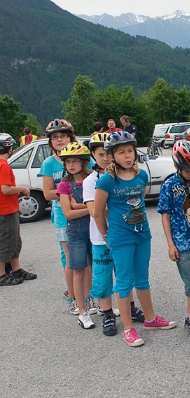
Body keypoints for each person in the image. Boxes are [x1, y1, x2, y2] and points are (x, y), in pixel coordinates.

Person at [93, 131, 176, 347]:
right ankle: (128, 329)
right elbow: (98, 212)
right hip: (120, 238)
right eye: (121, 152)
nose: (128, 156)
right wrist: (105, 234)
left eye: (130, 151)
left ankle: (150, 319)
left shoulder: (141, 176)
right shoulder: (106, 181)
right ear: (112, 155)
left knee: (142, 279)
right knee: (123, 282)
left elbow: (141, 198)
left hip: (142, 234)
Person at [83, 133, 141, 336]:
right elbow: (94, 210)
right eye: (101, 155)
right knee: (103, 275)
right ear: (94, 156)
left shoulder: (125, 175)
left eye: (107, 155)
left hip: (124, 233)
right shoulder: (92, 181)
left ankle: (131, 308)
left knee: (126, 273)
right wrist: (118, 209)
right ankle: (107, 313)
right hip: (102, 236)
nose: (105, 159)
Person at [39, 119, 92, 314]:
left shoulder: (83, 157)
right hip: (63, 216)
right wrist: (66, 193)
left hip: (86, 214)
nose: (59, 140)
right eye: (55, 137)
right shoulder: (49, 163)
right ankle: (73, 296)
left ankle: (88, 295)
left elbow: (93, 181)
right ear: (50, 141)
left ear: (71, 137)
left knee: (88, 257)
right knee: (71, 258)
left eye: (63, 136)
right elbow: (47, 193)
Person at [158, 140, 190, 341]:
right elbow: (165, 214)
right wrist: (170, 244)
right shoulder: (169, 185)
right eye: (187, 169)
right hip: (181, 241)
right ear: (177, 166)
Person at [56, 142, 96, 329]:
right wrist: (90, 208)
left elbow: (102, 206)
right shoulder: (65, 185)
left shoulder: (93, 179)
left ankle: (93, 301)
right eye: (67, 162)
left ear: (84, 162)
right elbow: (68, 214)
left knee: (95, 269)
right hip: (76, 231)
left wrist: (77, 205)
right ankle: (82, 311)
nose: (71, 165)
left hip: (95, 229)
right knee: (79, 270)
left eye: (75, 161)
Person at [0, 133, 36, 286]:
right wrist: (22, 188)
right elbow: (5, 189)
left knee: (15, 241)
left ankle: (16, 268)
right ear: (9, 148)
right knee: (6, 242)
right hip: (5, 209)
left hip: (9, 208)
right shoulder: (4, 166)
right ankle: (1, 274)